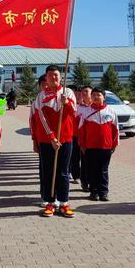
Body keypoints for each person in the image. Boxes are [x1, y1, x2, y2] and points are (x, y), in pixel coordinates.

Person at [33, 65, 77, 218]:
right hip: (47, 140)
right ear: (46, 77)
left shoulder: (68, 92)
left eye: (56, 75)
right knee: (48, 172)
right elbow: (41, 118)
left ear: (60, 77)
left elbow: (73, 114)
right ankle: (49, 202)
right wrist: (51, 137)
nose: (53, 78)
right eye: (50, 75)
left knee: (63, 172)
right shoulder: (41, 96)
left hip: (66, 139)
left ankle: (64, 202)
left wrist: (66, 103)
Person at [78, 87, 119, 201]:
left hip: (106, 147)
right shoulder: (86, 112)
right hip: (90, 147)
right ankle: (93, 192)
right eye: (94, 95)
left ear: (104, 97)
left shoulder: (111, 112)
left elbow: (115, 130)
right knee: (92, 170)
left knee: (103, 170)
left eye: (98, 95)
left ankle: (103, 192)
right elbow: (81, 130)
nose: (96, 97)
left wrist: (114, 144)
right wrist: (82, 145)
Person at [30, 74, 48, 206]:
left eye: (48, 84)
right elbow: (33, 124)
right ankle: (45, 195)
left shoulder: (59, 99)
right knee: (44, 169)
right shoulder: (36, 102)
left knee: (59, 170)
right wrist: (35, 141)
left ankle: (58, 197)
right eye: (43, 84)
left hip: (60, 141)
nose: (46, 86)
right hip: (43, 141)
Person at [76, 85, 93, 192]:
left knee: (93, 163)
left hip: (93, 139)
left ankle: (93, 183)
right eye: (83, 92)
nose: (84, 93)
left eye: (87, 91)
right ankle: (84, 182)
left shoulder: (95, 107)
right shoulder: (78, 107)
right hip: (80, 138)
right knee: (84, 161)